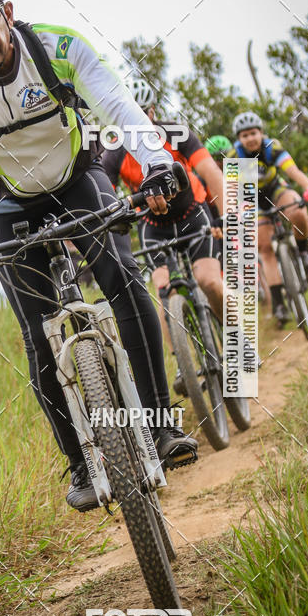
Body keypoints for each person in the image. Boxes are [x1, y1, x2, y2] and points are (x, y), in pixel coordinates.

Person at [0, 0, 198, 513]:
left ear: (8, 11)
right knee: (37, 330)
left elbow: (118, 107)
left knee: (125, 283)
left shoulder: (59, 48)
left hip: (74, 175)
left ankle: (161, 426)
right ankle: (82, 464)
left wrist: (158, 164)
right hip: (3, 197)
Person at [101, 79, 225, 397]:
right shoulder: (116, 149)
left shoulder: (176, 133)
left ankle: (240, 344)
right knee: (164, 291)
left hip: (191, 215)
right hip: (152, 225)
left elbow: (212, 173)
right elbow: (104, 194)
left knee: (209, 280)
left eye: (142, 112)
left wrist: (225, 217)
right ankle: (184, 364)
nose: (136, 119)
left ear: (152, 112)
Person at [227, 112, 308, 326]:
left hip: (275, 190)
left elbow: (292, 170)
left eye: (253, 133)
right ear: (239, 139)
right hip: (252, 199)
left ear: (261, 133)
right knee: (265, 247)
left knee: (297, 210)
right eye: (244, 135)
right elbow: (231, 189)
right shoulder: (233, 156)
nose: (250, 138)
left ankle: (303, 250)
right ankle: (278, 303)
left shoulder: (272, 148)